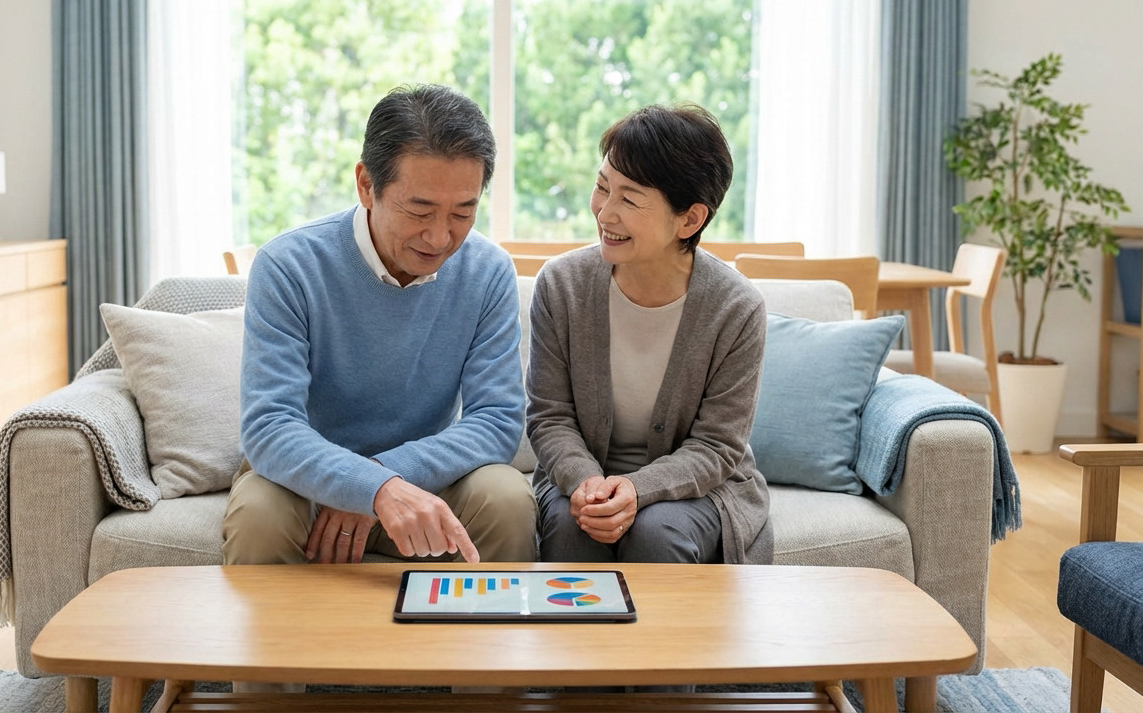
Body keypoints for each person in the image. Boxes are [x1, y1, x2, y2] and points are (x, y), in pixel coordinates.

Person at [223, 84, 537, 567]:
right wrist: (373, 489)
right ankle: (283, 647)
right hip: (304, 484)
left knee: (506, 497)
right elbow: (270, 426)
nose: (440, 236)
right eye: (420, 209)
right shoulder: (289, 264)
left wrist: (383, 479)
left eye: (463, 212)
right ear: (367, 185)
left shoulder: (487, 271)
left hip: (424, 482)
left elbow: (495, 421)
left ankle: (478, 643)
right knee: (259, 514)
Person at [527, 103, 773, 565]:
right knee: (569, 526)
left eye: (630, 199)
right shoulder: (562, 285)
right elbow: (550, 416)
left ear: (689, 219)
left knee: (657, 533)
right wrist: (586, 483)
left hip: (697, 491)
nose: (605, 212)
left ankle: (667, 643)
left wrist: (638, 490)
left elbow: (718, 446)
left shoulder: (736, 308)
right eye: (602, 187)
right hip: (580, 481)